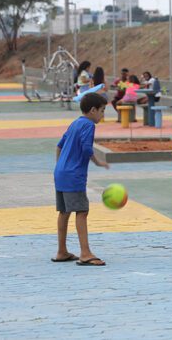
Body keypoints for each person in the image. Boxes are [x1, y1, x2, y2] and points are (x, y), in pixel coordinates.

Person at [52, 92, 109, 266]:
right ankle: (85, 253)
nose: (103, 115)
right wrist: (98, 161)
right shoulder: (89, 125)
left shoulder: (75, 123)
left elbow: (59, 146)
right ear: (93, 110)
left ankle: (62, 251)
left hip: (60, 173)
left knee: (64, 212)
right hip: (74, 175)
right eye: (102, 110)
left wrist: (60, 166)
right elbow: (86, 148)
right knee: (82, 211)